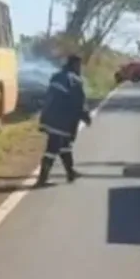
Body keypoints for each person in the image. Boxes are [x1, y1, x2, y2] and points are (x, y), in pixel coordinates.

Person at [36, 54, 91, 187]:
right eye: (79, 66)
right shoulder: (75, 80)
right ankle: (42, 179)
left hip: (49, 116)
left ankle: (70, 173)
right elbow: (78, 102)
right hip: (62, 119)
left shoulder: (57, 76)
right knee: (53, 148)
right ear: (74, 65)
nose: (80, 68)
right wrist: (86, 116)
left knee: (65, 145)